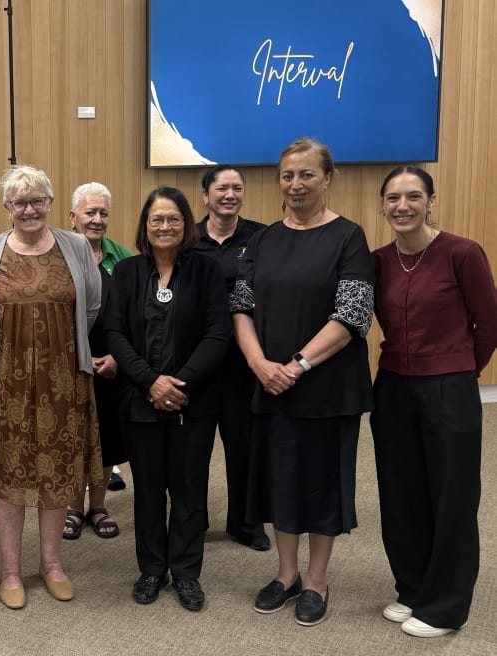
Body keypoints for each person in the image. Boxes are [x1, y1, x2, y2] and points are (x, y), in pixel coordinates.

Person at [230, 137, 374, 627]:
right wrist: (258, 364)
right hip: (270, 384)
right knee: (280, 480)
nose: (296, 184)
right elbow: (241, 307)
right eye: (288, 175)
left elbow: (354, 313)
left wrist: (295, 365)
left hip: (327, 387)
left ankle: (316, 580)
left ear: (327, 178)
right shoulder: (264, 239)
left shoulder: (348, 236)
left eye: (307, 174)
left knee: (321, 483)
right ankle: (286, 574)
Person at [370, 166, 497, 638]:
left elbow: (489, 322)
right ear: (383, 205)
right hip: (393, 387)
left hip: (450, 387)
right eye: (394, 198)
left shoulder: (463, 252)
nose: (403, 206)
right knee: (401, 493)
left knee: (452, 496)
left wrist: (461, 369)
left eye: (414, 196)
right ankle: (414, 589)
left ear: (430, 201)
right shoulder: (378, 260)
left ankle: (445, 606)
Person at [0, 164, 105, 610]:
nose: (28, 209)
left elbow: (91, 304)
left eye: (37, 201)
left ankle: (52, 564)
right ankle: (10, 571)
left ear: (51, 204)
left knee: (57, 475)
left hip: (64, 381)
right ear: (6, 207)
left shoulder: (75, 247)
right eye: (19, 202)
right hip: (5, 383)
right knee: (10, 478)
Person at [105, 186, 230, 612]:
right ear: (145, 226)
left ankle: (187, 573)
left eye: (173, 219)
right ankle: (152, 569)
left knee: (189, 489)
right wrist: (151, 382)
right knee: (149, 491)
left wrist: (179, 383)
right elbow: (115, 334)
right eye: (156, 219)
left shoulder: (208, 272)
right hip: (140, 399)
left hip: (194, 402)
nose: (164, 226)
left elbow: (219, 334)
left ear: (186, 225)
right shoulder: (126, 274)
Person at [192, 165, 270, 551]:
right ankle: (194, 521)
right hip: (197, 361)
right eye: (221, 188)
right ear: (205, 196)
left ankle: (246, 523)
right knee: (194, 447)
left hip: (245, 362)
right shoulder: (185, 237)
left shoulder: (261, 237)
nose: (230, 194)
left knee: (245, 446)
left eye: (237, 188)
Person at [63, 182, 130, 541]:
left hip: (109, 362)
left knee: (105, 437)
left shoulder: (123, 258)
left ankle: (98, 505)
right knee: (73, 437)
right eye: (90, 212)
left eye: (103, 212)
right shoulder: (57, 254)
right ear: (73, 217)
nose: (97, 219)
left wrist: (118, 358)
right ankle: (73, 507)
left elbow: (135, 315)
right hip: (68, 362)